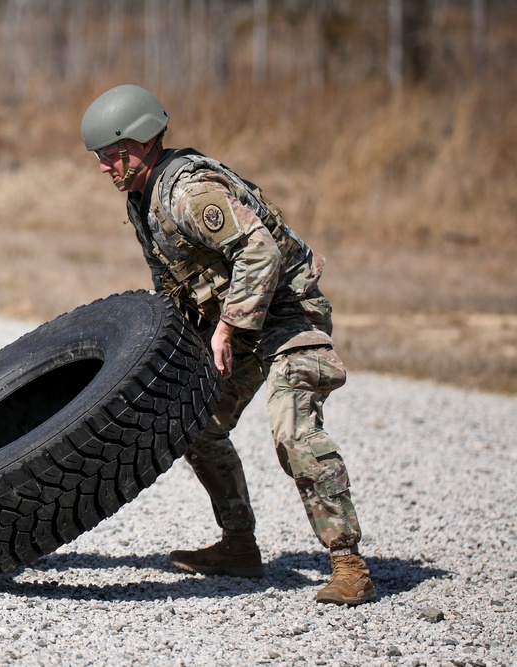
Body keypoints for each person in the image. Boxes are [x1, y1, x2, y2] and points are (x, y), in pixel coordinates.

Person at [80, 84, 376, 606]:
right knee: (198, 424)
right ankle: (239, 545)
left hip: (287, 315)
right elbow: (172, 285)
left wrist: (229, 327)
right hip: (234, 323)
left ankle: (349, 563)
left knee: (293, 428)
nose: (103, 167)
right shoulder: (141, 199)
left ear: (141, 143)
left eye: (109, 155)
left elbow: (259, 251)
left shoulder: (188, 192)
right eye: (100, 158)